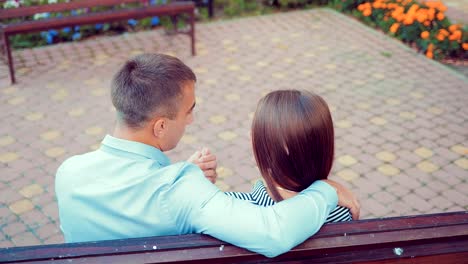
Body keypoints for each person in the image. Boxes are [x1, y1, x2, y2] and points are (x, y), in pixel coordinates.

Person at [55, 53, 360, 258]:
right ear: (160, 126)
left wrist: (179, 176)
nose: (191, 121)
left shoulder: (68, 173)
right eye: (189, 112)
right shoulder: (181, 191)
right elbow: (274, 232)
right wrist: (327, 189)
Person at [226, 90, 352, 223]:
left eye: (257, 133)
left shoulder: (232, 208)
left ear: (282, 149)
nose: (249, 135)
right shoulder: (342, 213)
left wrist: (203, 183)